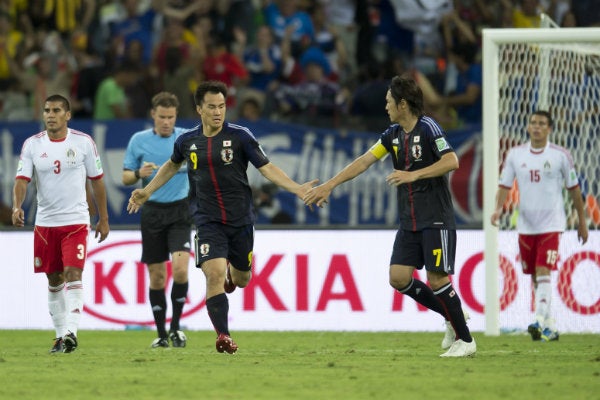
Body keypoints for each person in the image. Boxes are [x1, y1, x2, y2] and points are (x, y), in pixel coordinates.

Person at [127, 80, 318, 354]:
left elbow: (267, 168)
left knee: (242, 279)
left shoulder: (241, 136)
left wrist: (297, 188)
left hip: (240, 219)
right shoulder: (187, 141)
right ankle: (223, 335)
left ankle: (234, 272)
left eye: (222, 106)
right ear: (199, 109)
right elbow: (171, 165)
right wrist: (146, 192)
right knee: (213, 274)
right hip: (206, 220)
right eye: (211, 107)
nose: (218, 112)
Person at [303, 75, 476, 357]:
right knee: (398, 278)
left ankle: (466, 341)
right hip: (409, 220)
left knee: (437, 280)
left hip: (436, 217)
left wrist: (414, 174)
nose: (386, 107)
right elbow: (364, 161)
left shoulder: (429, 128)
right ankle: (450, 315)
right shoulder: (392, 135)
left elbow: (451, 161)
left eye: (388, 102)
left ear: (403, 104)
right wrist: (329, 185)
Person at [11, 94, 110, 354]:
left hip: (76, 222)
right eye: (46, 110)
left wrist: (103, 218)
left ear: (68, 115)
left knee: (73, 274)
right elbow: (22, 179)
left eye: (56, 110)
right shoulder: (32, 145)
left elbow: (97, 180)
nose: (50, 115)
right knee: (54, 280)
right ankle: (58, 336)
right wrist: (17, 206)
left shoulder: (84, 143)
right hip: (45, 225)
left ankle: (71, 332)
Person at [491, 110, 588, 342]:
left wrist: (582, 222)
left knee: (544, 270)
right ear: (528, 127)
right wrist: (497, 209)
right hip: (525, 225)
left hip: (552, 224)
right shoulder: (515, 154)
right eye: (533, 122)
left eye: (542, 123)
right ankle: (550, 325)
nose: (536, 127)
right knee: (535, 275)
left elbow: (574, 190)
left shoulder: (560, 155)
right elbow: (504, 185)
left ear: (549, 129)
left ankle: (539, 320)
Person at [122, 92, 192, 348]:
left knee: (181, 270)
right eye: (162, 117)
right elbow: (125, 178)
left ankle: (175, 329)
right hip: (152, 213)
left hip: (180, 212)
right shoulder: (138, 141)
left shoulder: (185, 138)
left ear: (176, 116)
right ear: (153, 115)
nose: (166, 122)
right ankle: (161, 334)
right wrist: (138, 174)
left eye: (171, 117)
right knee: (158, 277)